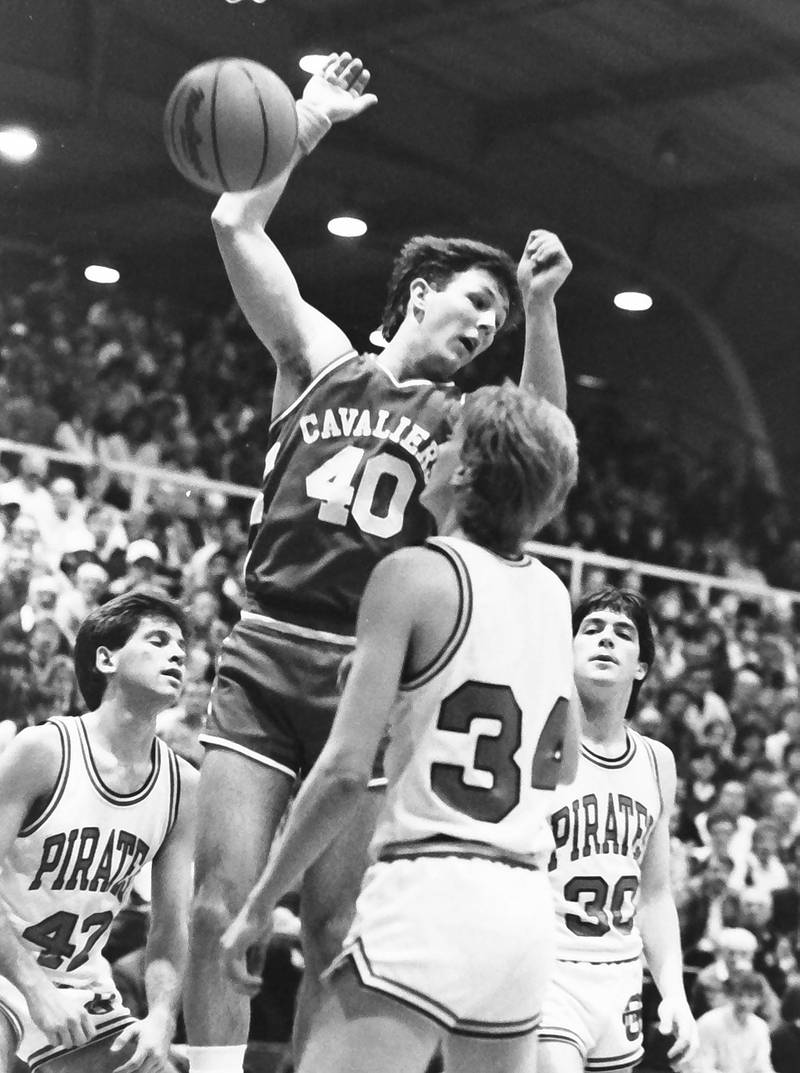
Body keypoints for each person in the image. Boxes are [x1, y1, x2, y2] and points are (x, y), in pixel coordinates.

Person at [185, 50, 574, 1073]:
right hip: (266, 650)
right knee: (217, 902)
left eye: (496, 321)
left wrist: (539, 310)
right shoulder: (319, 361)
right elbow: (234, 225)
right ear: (419, 292)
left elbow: (545, 442)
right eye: (478, 301)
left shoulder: (463, 420)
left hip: (371, 676)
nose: (485, 324)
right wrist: (304, 117)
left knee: (332, 928)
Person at [219, 381, 580, 1073]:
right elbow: (562, 763)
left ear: (466, 471)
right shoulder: (552, 592)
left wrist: (260, 902)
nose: (434, 450)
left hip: (431, 890)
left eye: (449, 440)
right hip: (524, 910)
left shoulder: (410, 574)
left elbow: (344, 773)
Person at [0, 590, 198, 1072]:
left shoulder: (183, 786)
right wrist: (36, 990)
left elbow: (170, 925)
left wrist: (161, 1018)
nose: (177, 654)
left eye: (181, 646)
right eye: (158, 640)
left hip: (84, 992)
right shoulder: (43, 751)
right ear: (106, 659)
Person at [538, 587, 698, 1073]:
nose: (606, 638)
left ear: (642, 666)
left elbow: (655, 895)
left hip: (620, 977)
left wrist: (674, 992)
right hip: (547, 967)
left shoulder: (656, 761)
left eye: (623, 633)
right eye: (592, 629)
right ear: (566, 650)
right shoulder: (534, 739)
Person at [691, 971, 775, 1073]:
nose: (744, 1002)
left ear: (760, 1000)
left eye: (751, 996)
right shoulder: (709, 1022)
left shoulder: (761, 1027)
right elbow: (700, 1067)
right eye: (739, 995)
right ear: (731, 995)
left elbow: (762, 1066)